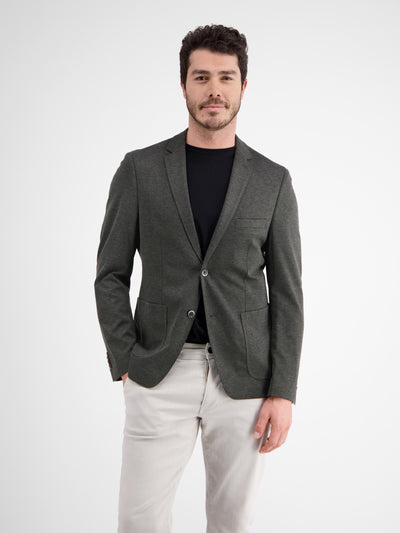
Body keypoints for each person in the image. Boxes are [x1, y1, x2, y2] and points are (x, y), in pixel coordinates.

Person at [94, 23, 304, 533]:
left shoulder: (272, 181)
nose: (214, 90)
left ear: (243, 86)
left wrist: (283, 391)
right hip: (159, 371)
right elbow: (110, 274)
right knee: (139, 521)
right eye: (202, 76)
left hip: (245, 380)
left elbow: (288, 294)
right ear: (184, 84)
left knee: (232, 522)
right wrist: (126, 359)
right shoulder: (140, 170)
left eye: (226, 77)